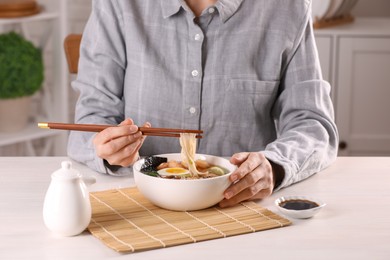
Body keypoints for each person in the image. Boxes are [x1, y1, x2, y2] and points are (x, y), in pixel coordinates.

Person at [68, 0, 339, 208]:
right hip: (139, 203)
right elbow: (91, 117)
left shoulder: (286, 7)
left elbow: (313, 125)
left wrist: (274, 166)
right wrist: (106, 145)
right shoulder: (119, 4)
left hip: (242, 207)